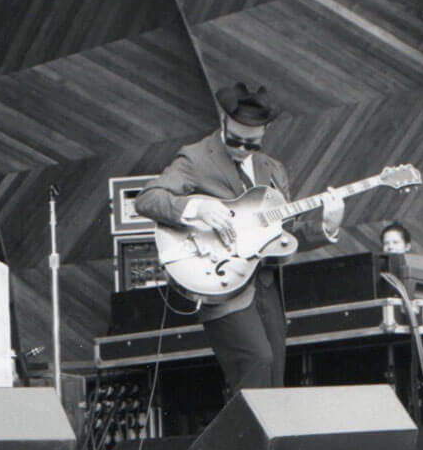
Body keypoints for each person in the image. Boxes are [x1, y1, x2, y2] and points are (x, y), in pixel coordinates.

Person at [134, 83, 343, 398]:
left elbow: (285, 232)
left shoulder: (273, 170)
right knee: (257, 363)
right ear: (223, 122)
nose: (242, 149)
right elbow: (148, 198)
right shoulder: (196, 158)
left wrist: (327, 226)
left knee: (273, 377)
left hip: (266, 287)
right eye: (235, 140)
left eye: (252, 144)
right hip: (221, 281)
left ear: (265, 132)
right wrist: (197, 207)